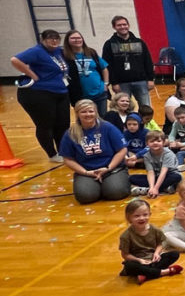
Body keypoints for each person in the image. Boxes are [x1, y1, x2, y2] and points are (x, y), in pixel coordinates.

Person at [11, 29, 77, 162]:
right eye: (50, 39)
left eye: (56, 39)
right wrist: (31, 74)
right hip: (39, 93)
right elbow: (15, 60)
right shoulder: (37, 51)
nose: (54, 41)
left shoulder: (58, 51)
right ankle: (52, 154)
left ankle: (63, 151)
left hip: (60, 91)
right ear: (43, 40)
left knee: (63, 123)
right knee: (46, 124)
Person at [59, 99, 130, 204]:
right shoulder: (71, 133)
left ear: (96, 112)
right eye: (83, 112)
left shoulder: (107, 127)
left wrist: (108, 168)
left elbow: (122, 150)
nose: (88, 114)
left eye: (91, 111)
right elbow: (67, 159)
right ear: (77, 114)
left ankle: (109, 184)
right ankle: (97, 186)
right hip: (87, 171)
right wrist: (85, 172)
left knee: (116, 192)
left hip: (111, 168)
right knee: (85, 196)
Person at [118, 199, 183, 285]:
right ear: (129, 218)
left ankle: (146, 274)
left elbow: (160, 244)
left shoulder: (155, 230)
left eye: (145, 215)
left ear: (150, 214)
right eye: (136, 216)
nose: (141, 218)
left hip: (152, 260)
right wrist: (139, 260)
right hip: (138, 262)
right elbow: (125, 254)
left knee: (174, 254)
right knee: (130, 266)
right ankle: (164, 272)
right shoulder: (126, 236)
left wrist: (156, 253)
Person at [102, 16, 154, 108]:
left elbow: (148, 61)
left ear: (128, 25)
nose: (122, 27)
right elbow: (107, 66)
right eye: (119, 25)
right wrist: (114, 83)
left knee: (146, 108)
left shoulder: (139, 42)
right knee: (124, 108)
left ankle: (146, 122)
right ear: (114, 27)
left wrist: (150, 79)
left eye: (124, 24)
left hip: (141, 81)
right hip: (121, 84)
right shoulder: (109, 44)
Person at [64, 30, 109, 113]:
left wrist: (105, 84)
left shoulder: (91, 52)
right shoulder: (64, 56)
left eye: (78, 37)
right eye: (73, 38)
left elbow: (104, 68)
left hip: (99, 92)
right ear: (67, 41)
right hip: (80, 95)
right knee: (85, 119)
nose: (76, 40)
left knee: (103, 119)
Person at [129, 130, 182, 197]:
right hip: (156, 176)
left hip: (168, 175)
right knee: (132, 178)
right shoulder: (146, 155)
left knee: (177, 177)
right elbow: (150, 172)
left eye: (158, 141)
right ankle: (162, 189)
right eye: (152, 141)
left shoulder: (168, 154)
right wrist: (152, 187)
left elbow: (164, 172)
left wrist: (156, 188)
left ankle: (148, 190)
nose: (155, 143)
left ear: (163, 142)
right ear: (147, 144)